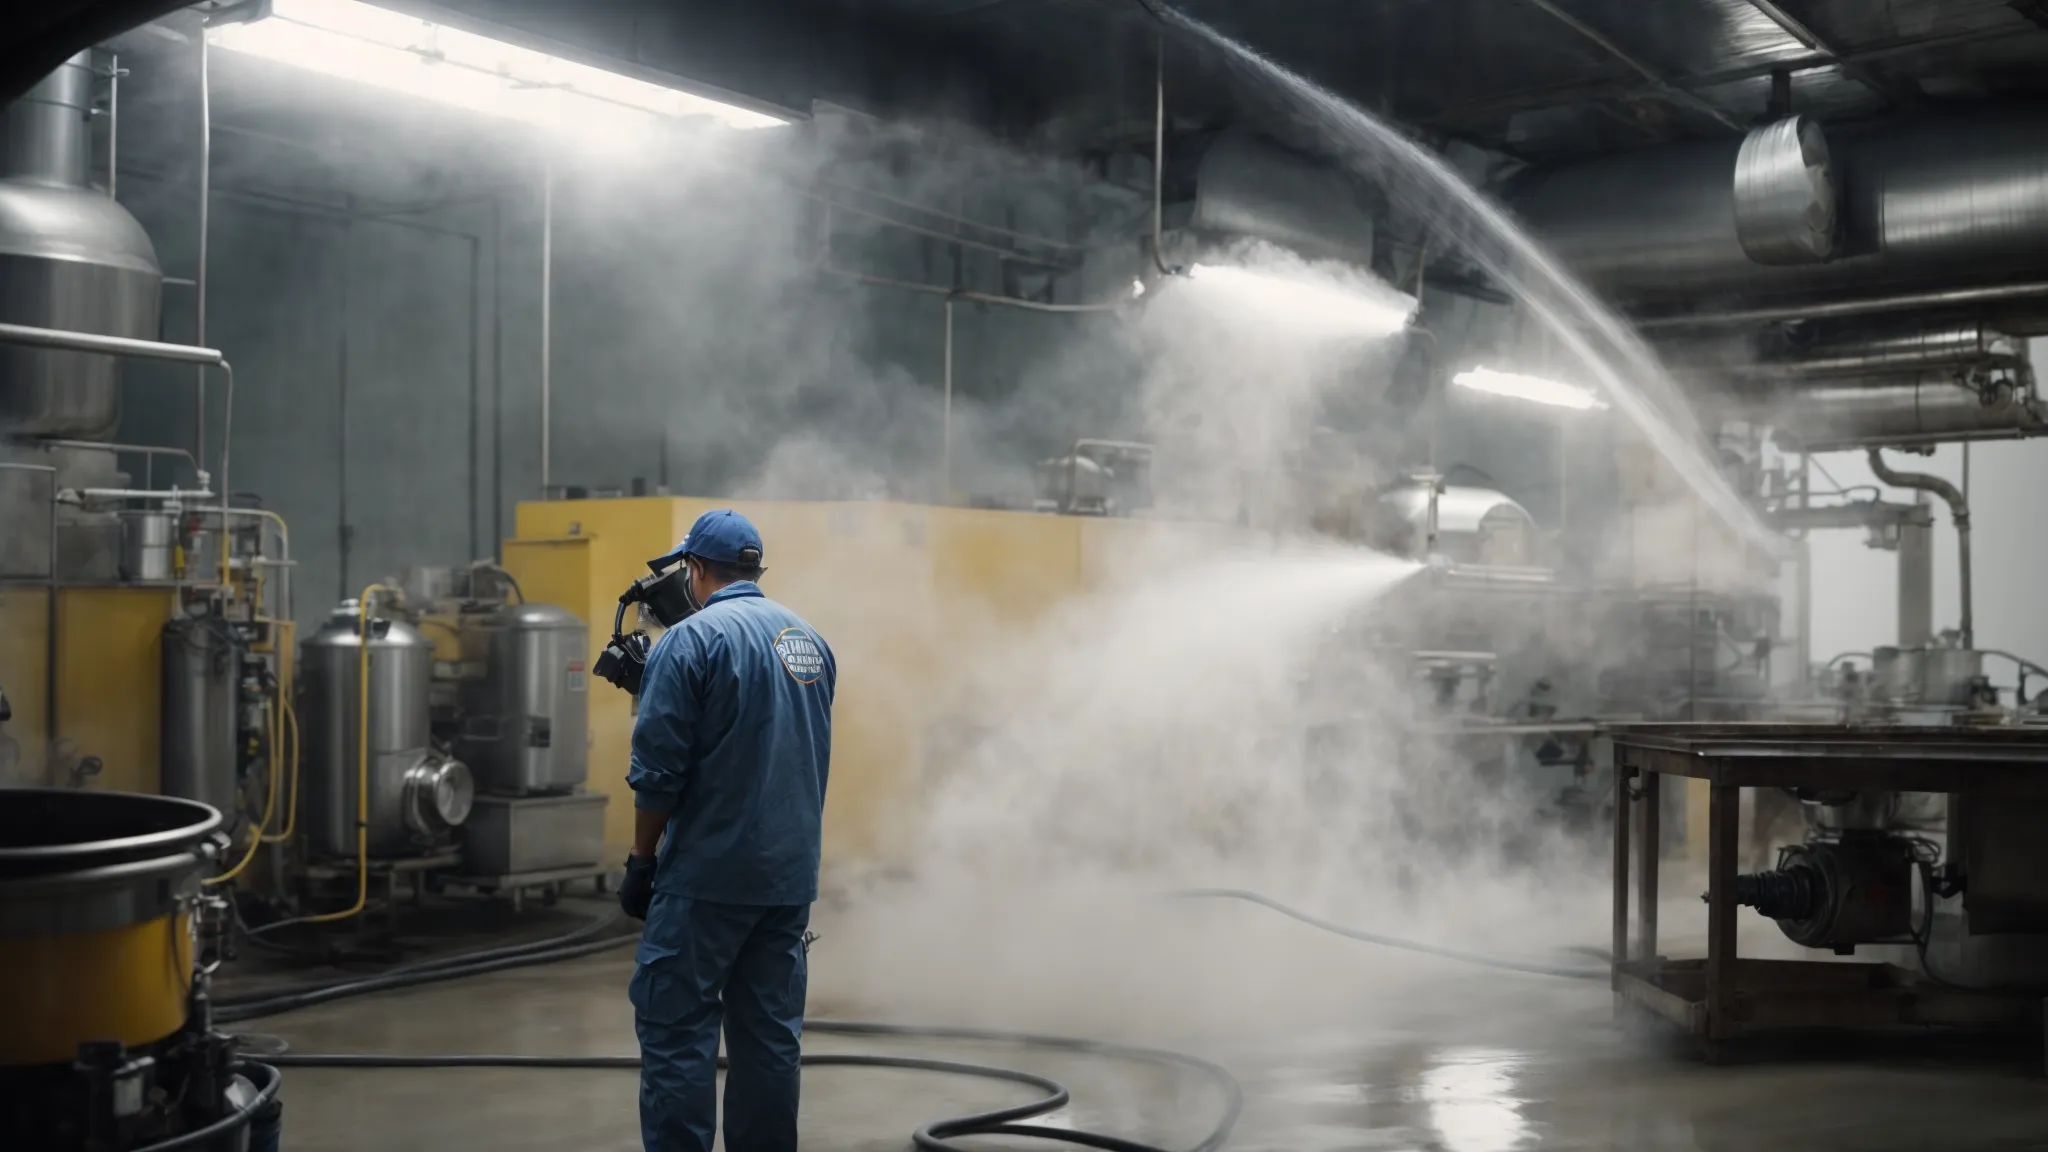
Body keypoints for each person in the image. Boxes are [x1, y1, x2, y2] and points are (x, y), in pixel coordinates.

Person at [616, 509, 836, 1152]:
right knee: (769, 1040)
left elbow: (657, 774)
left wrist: (640, 860)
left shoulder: (689, 641)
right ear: (753, 569)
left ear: (696, 570)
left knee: (677, 1031)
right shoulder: (810, 640)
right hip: (787, 879)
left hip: (707, 878)